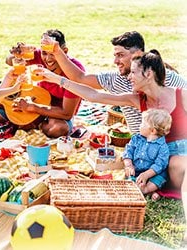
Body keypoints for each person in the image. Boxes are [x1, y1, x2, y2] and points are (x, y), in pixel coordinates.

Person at [39, 50, 187, 243]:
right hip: (161, 159)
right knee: (175, 165)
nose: (129, 76)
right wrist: (57, 79)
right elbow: (93, 96)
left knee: (180, 164)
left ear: (148, 74)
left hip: (179, 156)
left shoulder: (181, 95)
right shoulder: (136, 100)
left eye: (133, 72)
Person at [48, 30, 187, 133]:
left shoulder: (170, 80)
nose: (115, 61)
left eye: (120, 55)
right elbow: (82, 80)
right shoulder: (119, 82)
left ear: (138, 55)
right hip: (140, 147)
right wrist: (57, 53)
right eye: (115, 56)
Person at [0, 29, 85, 138]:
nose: (48, 59)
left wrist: (32, 107)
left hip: (57, 112)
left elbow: (66, 113)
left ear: (64, 51)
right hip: (37, 99)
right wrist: (17, 54)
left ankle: (32, 124)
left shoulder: (74, 71)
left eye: (53, 54)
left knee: (57, 129)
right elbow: (9, 61)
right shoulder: (39, 54)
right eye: (44, 53)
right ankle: (29, 122)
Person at [123, 108, 172, 198]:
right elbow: (128, 151)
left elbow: (160, 164)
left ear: (152, 131)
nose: (140, 125)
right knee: (130, 177)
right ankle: (147, 191)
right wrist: (129, 165)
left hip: (153, 173)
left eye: (143, 124)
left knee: (160, 178)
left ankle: (146, 189)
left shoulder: (162, 147)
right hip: (136, 170)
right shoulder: (136, 139)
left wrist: (146, 174)